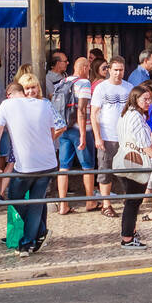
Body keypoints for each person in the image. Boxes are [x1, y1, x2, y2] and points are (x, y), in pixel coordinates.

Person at [0, 75, 60, 255]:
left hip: (26, 165)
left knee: (15, 197)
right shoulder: (44, 104)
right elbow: (52, 131)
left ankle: (35, 234)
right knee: (36, 202)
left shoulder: (7, 105)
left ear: (10, 95)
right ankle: (29, 242)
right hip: (48, 162)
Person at [114, 85, 152, 248]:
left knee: (132, 201)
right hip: (134, 162)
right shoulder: (135, 116)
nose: (148, 102)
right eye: (145, 99)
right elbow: (144, 143)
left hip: (125, 160)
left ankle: (130, 232)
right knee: (133, 202)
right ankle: (127, 238)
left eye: (150, 98)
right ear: (136, 99)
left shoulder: (126, 113)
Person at [52, 57, 97, 216]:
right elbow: (82, 110)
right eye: (88, 68)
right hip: (80, 129)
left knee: (63, 166)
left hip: (65, 128)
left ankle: (63, 204)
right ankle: (90, 201)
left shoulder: (63, 82)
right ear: (85, 68)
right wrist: (84, 135)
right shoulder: (84, 83)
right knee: (88, 165)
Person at [91, 56, 131, 218]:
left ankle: (129, 199)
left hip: (125, 137)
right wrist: (97, 136)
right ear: (109, 70)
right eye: (115, 70)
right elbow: (94, 114)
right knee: (105, 170)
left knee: (127, 170)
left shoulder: (129, 88)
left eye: (121, 70)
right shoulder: (102, 88)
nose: (118, 73)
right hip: (107, 135)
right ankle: (106, 204)